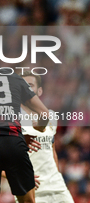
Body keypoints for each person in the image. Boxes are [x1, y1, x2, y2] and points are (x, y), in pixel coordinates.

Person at [0, 39, 50, 203]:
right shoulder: (13, 76)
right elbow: (44, 114)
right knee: (27, 201)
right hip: (14, 144)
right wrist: (36, 130)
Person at [19, 71, 74, 203]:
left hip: (58, 187)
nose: (26, 89)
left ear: (40, 90)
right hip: (32, 191)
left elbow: (52, 149)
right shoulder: (12, 120)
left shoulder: (51, 116)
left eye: (30, 85)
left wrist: (57, 175)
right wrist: (19, 177)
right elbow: (0, 160)